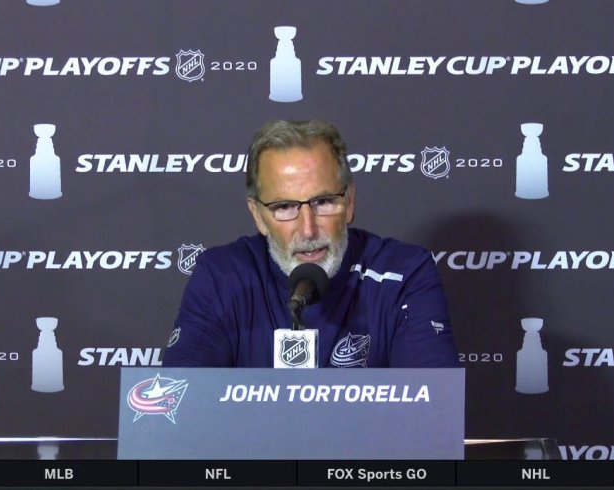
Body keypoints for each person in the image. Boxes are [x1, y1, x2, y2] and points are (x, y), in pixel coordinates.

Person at [163, 120, 460, 367]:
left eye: (323, 202)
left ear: (350, 202)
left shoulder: (404, 273)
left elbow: (430, 416)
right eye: (284, 207)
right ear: (258, 215)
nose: (307, 229)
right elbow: (181, 405)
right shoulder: (221, 277)